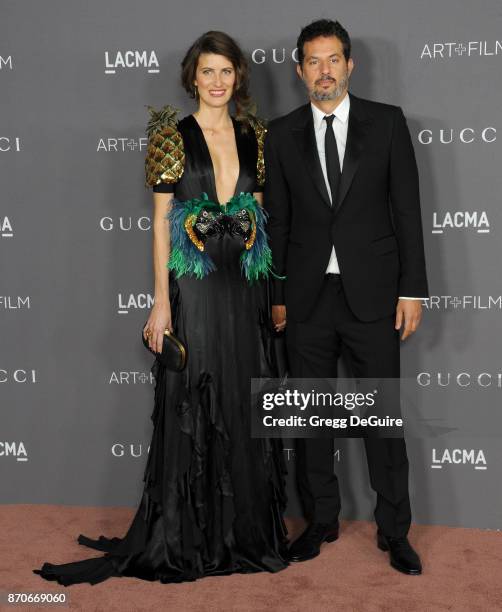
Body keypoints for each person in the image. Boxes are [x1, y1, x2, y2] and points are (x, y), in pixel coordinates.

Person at [33, 30, 289, 586]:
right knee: (194, 406)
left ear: (237, 78)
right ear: (191, 78)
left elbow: (261, 220)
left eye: (226, 72)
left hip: (243, 287)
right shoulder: (172, 138)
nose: (217, 82)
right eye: (208, 72)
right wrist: (159, 303)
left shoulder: (256, 138)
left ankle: (245, 534)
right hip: (193, 287)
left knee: (245, 403)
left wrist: (269, 291)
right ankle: (187, 536)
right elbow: (160, 224)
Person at [264, 19, 429, 575]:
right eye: (313, 61)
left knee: (384, 421)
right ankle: (320, 521)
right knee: (310, 418)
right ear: (299, 70)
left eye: (333, 59)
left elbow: (406, 211)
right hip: (308, 300)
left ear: (350, 64)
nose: (324, 71)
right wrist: (279, 295)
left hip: (374, 296)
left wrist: (412, 289)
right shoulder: (281, 133)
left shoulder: (386, 123)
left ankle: (395, 532)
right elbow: (279, 222)